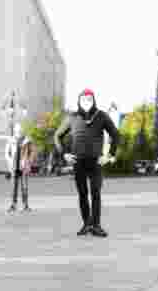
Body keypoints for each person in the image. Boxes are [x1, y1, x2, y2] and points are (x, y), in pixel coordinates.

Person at [54, 89, 119, 238]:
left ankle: (96, 226)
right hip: (79, 162)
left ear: (94, 100)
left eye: (89, 99)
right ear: (79, 101)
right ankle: (86, 224)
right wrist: (64, 153)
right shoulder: (72, 117)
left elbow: (115, 135)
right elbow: (57, 136)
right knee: (82, 194)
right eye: (84, 99)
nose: (86, 102)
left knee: (96, 193)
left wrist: (110, 155)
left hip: (96, 161)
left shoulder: (101, 116)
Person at [5, 124, 32, 213]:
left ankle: (25, 205)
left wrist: (28, 163)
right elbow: (7, 153)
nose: (18, 131)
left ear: (22, 130)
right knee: (13, 187)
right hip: (14, 166)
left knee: (24, 186)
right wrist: (9, 162)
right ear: (15, 130)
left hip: (23, 167)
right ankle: (13, 205)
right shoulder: (10, 140)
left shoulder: (27, 140)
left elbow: (31, 153)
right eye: (17, 130)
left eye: (20, 130)